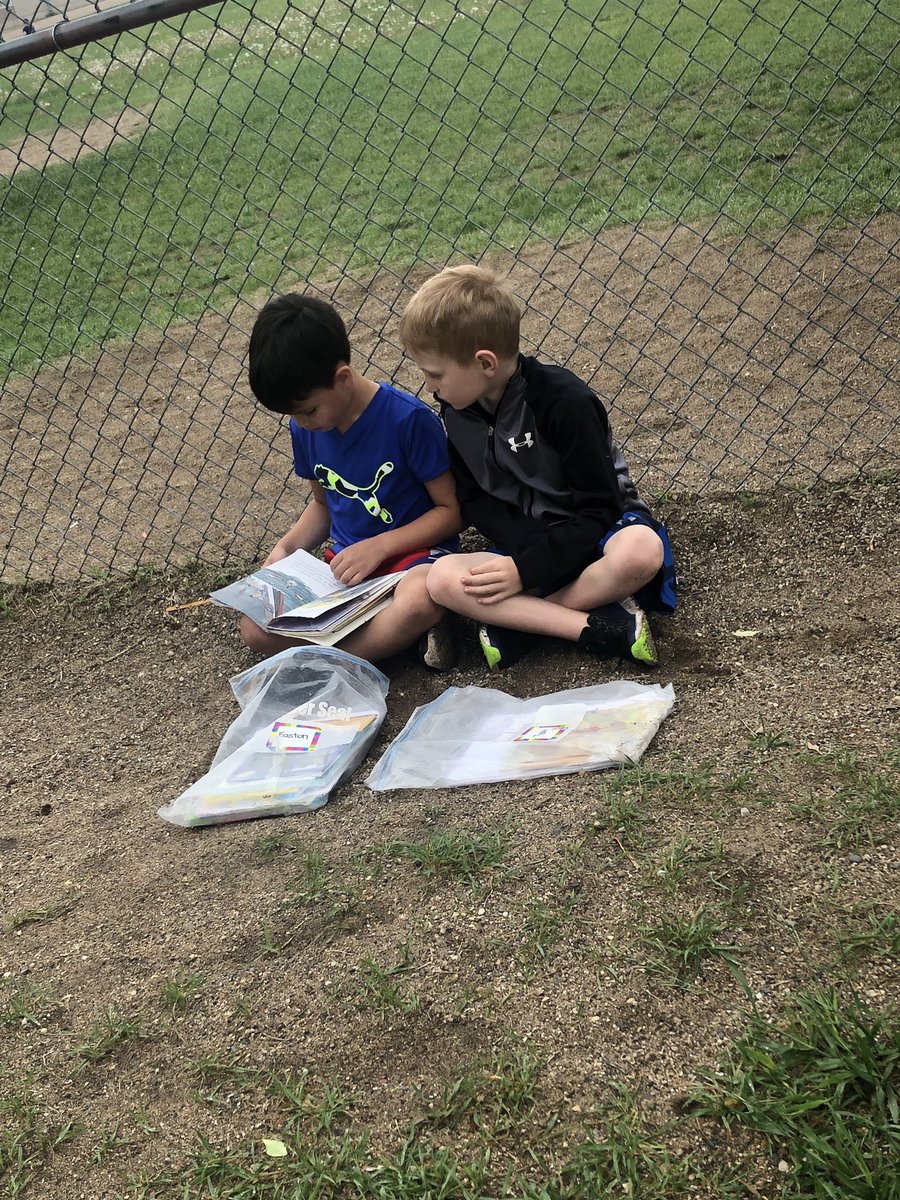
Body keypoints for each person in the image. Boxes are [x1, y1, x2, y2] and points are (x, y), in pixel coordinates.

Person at [398, 264, 677, 671]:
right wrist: (523, 560)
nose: (429, 386)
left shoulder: (565, 401)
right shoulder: (456, 412)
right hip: (528, 544)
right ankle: (593, 626)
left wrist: (526, 570)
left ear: (485, 363)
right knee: (441, 579)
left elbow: (599, 510)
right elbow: (474, 501)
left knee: (641, 550)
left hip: (599, 535)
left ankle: (525, 626)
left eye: (435, 374)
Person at [241, 293, 463, 669]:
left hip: (414, 559)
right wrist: (285, 549)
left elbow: (453, 512)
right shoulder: (305, 428)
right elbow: (323, 505)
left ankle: (335, 657)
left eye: (309, 410)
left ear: (343, 378)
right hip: (345, 572)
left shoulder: (407, 420)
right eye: (294, 415)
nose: (302, 422)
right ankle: (385, 641)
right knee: (254, 627)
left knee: (419, 600)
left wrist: (380, 547)